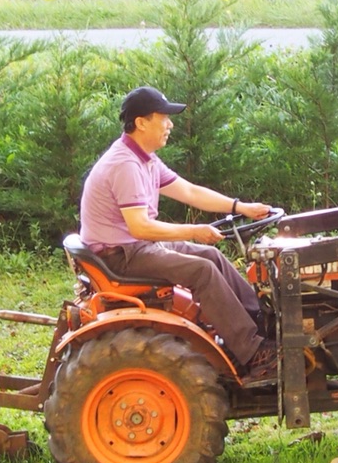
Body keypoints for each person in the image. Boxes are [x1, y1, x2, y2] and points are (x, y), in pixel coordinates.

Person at [78, 86, 279, 380]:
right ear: (141, 122)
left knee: (212, 255)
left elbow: (188, 191)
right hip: (121, 255)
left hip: (135, 246)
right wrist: (194, 231)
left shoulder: (144, 158)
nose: (170, 124)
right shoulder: (125, 165)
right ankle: (252, 352)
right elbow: (141, 226)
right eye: (164, 118)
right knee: (202, 271)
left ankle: (263, 325)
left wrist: (241, 207)